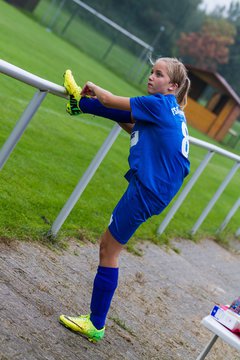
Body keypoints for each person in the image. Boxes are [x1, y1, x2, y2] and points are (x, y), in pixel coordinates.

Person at [59, 57, 191, 343]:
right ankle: (76, 106)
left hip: (148, 189)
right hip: (155, 189)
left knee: (109, 248)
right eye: (152, 71)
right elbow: (134, 127)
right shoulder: (169, 109)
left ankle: (95, 324)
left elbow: (108, 99)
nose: (151, 77)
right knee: (109, 246)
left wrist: (92, 88)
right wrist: (87, 105)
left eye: (159, 74)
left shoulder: (157, 103)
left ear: (173, 86)